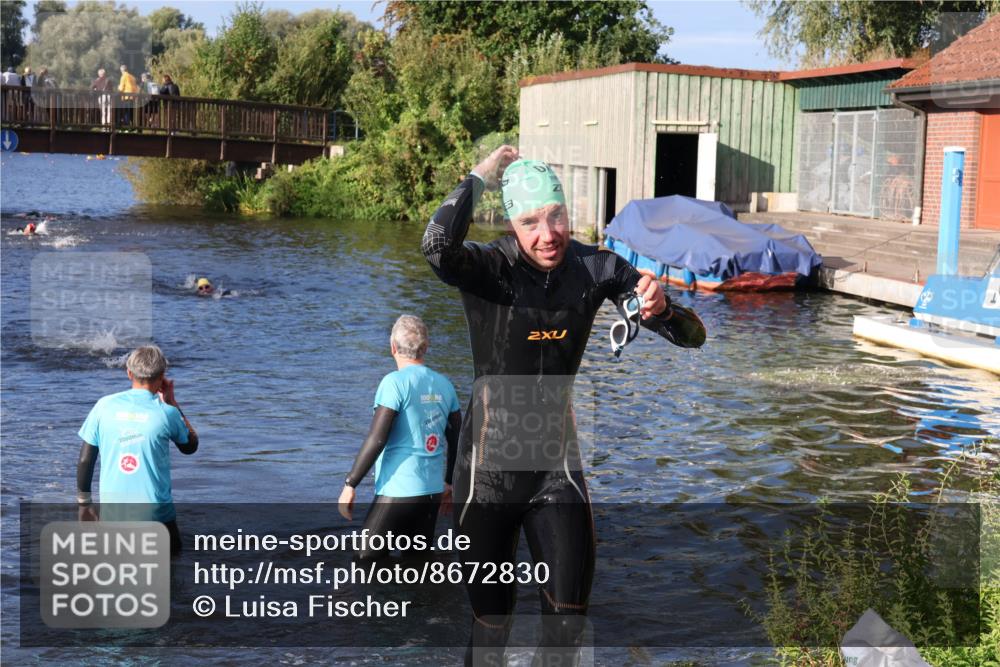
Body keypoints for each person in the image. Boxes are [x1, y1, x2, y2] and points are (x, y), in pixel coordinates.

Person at [421, 145, 706, 666]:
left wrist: (661, 308)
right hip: (486, 477)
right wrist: (481, 175)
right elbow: (437, 246)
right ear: (511, 223)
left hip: (557, 472)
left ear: (568, 211)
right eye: (530, 221)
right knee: (492, 627)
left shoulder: (594, 267)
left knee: (568, 626)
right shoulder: (492, 269)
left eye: (556, 215)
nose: (547, 233)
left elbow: (693, 337)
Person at [338, 315, 462, 562]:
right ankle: (423, 602)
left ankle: (386, 602)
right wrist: (449, 483)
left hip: (398, 491)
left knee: (365, 561)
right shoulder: (444, 384)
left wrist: (350, 484)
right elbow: (458, 438)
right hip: (432, 492)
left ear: (392, 347)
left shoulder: (393, 383)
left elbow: (377, 438)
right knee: (417, 565)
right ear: (425, 348)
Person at [76, 345, 199, 556]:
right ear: (162, 376)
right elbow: (190, 446)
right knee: (171, 579)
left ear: (129, 373)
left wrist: (85, 504)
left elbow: (86, 461)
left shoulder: (103, 406)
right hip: (157, 519)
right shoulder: (167, 413)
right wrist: (172, 402)